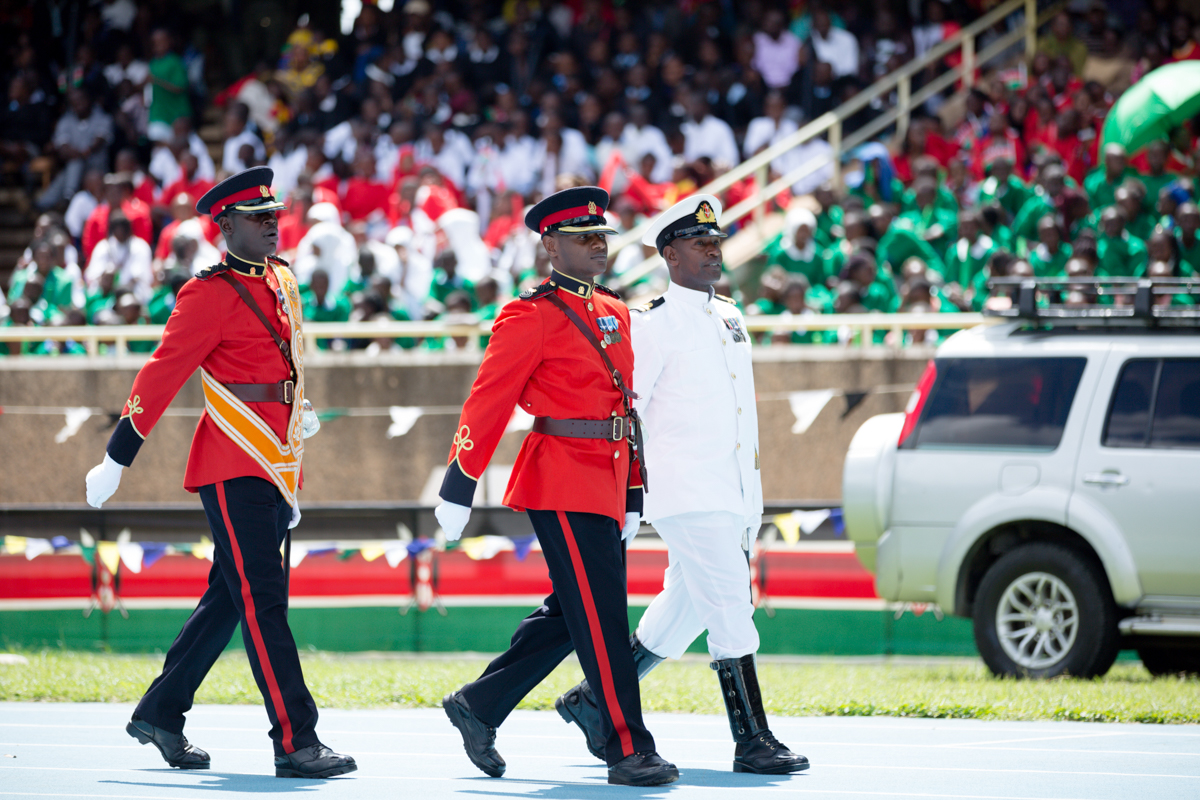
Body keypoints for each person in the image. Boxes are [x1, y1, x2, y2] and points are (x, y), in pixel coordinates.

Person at [83, 167, 356, 780]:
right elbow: (160, 376)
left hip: (276, 456)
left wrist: (297, 420)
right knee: (263, 601)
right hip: (233, 460)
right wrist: (116, 457)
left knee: (230, 599)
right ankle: (296, 739)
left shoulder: (284, 280)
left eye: (274, 215)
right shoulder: (205, 294)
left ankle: (160, 711)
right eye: (257, 218)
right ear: (225, 226)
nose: (271, 224)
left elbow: (288, 363)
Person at [553, 194, 810, 776]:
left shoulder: (730, 316)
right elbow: (631, 409)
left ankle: (593, 702)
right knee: (730, 607)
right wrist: (632, 491)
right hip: (687, 490)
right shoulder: (653, 322)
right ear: (670, 253)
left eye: (717, 241)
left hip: (735, 488)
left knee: (686, 608)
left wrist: (752, 492)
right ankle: (752, 740)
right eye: (700, 243)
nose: (714, 250)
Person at [434, 186, 678, 787]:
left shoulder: (616, 310)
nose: (598, 247)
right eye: (583, 238)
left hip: (609, 475)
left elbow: (627, 405)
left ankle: (480, 705)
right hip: (560, 475)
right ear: (551, 245)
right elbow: (488, 401)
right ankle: (627, 746)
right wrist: (458, 485)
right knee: (600, 612)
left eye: (602, 237)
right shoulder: (530, 314)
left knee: (574, 613)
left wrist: (633, 491)